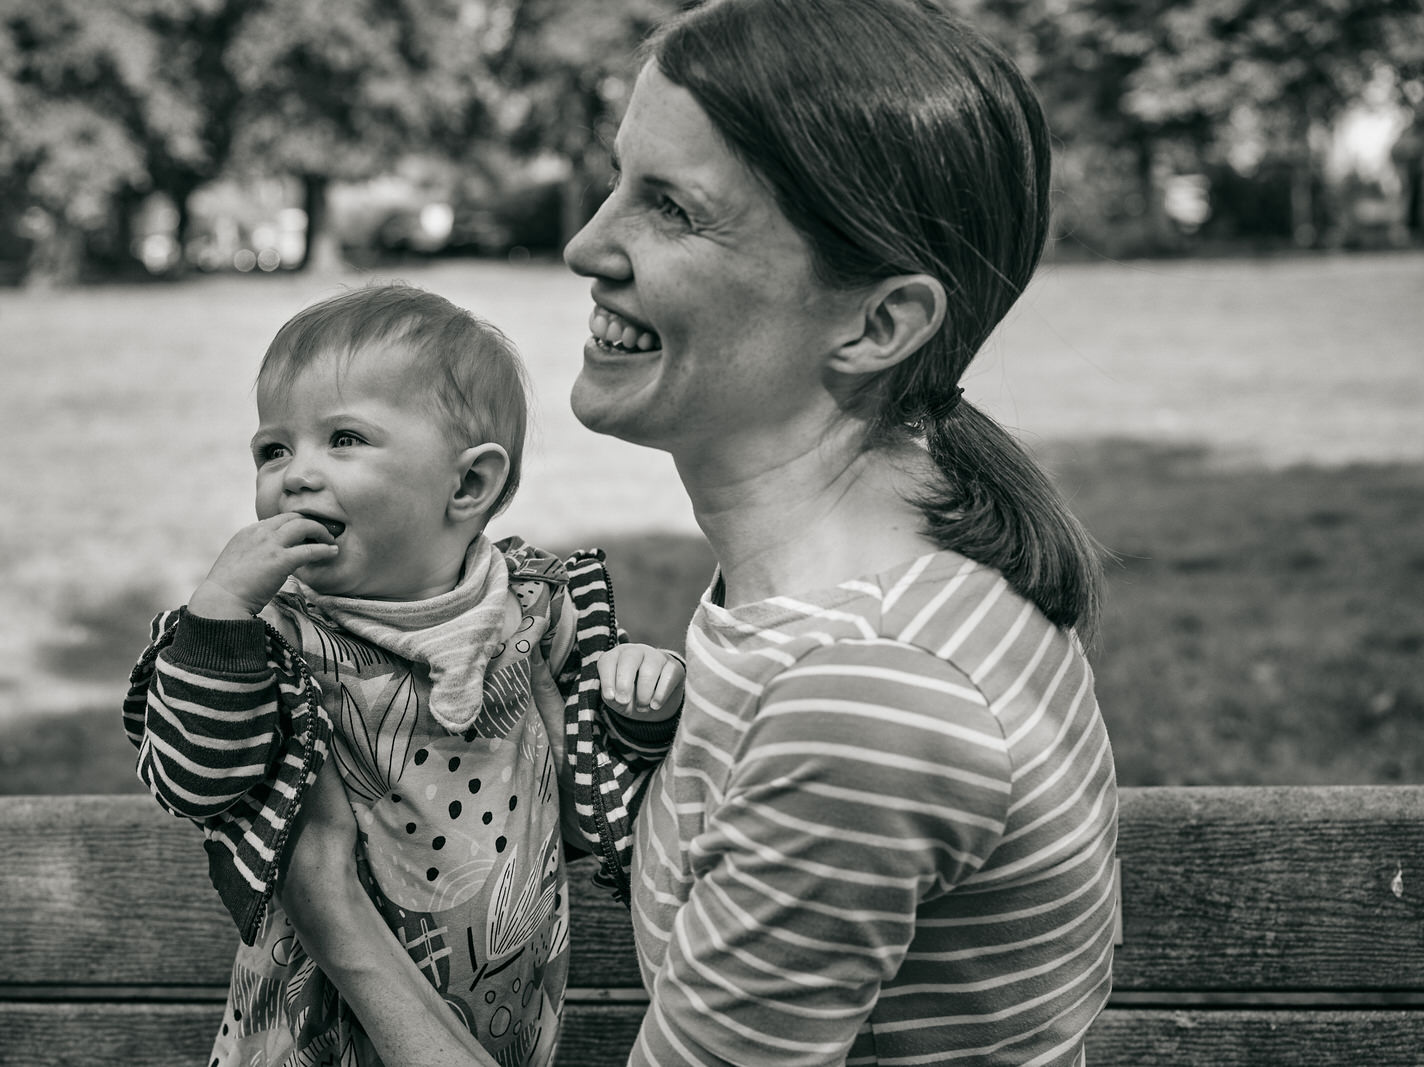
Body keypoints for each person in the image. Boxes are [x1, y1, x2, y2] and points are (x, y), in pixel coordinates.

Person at [557, 0, 1120, 1062]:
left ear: (877, 324)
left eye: (672, 209)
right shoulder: (850, 587)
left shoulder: (866, 698)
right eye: (621, 180)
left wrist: (338, 921)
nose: (589, 243)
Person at [120, 283, 684, 1067]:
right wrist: (216, 617)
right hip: (311, 1041)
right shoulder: (275, 640)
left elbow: (598, 770)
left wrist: (640, 701)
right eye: (272, 449)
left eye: (342, 438)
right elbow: (195, 780)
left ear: (468, 486)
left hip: (502, 1029)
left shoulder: (533, 611)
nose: (296, 474)